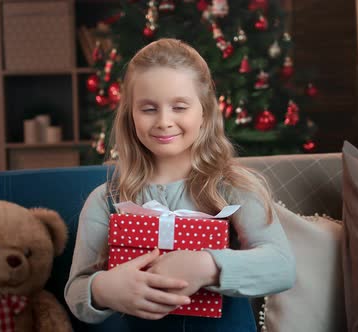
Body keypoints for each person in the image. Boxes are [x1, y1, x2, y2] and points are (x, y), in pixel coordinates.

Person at [64, 38, 295, 331]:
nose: (164, 121)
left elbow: (282, 267)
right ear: (130, 116)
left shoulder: (234, 188)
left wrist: (207, 266)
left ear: (205, 113)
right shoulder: (106, 199)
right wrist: (103, 288)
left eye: (179, 107)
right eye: (148, 109)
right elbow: (76, 294)